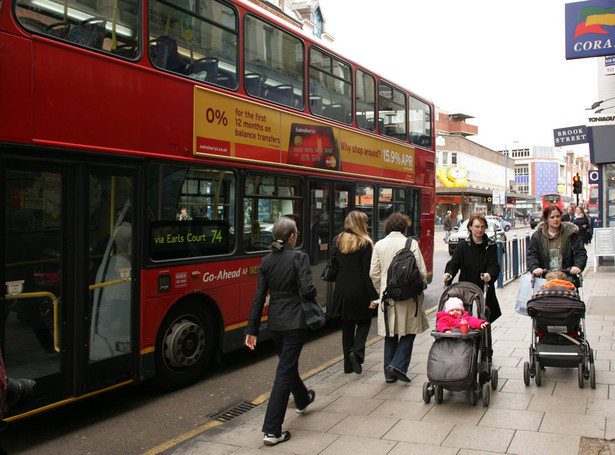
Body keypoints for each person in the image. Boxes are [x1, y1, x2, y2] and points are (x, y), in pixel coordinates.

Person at [244, 217, 316, 446]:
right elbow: (308, 290)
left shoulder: (266, 260)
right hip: (295, 322)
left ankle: (302, 399)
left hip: (275, 322)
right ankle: (272, 431)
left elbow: (258, 297)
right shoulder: (300, 257)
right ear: (292, 236)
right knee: (284, 371)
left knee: (287, 363)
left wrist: (252, 329)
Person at [370, 212, 429, 383]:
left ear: (387, 227)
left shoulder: (379, 245)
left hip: (388, 297)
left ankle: (389, 375)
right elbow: (422, 272)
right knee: (410, 330)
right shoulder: (411, 243)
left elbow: (373, 273)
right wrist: (420, 288)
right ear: (404, 228)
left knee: (390, 333)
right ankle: (398, 364)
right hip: (409, 297)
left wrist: (381, 289)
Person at [331, 211, 379, 375]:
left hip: (342, 289)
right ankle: (357, 352)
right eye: (365, 223)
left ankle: (347, 366)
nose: (367, 225)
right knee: (364, 322)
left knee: (347, 327)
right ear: (360, 224)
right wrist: (375, 296)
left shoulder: (338, 240)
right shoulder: (365, 243)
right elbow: (367, 274)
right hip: (360, 290)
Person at [444, 212, 502, 323]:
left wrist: (489, 275)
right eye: (476, 227)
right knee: (465, 323)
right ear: (470, 227)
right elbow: (454, 263)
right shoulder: (462, 246)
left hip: (484, 290)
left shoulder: (491, 245)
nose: (479, 230)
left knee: (483, 323)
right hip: (465, 292)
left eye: (482, 227)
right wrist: (449, 273)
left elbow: (494, 265)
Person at [527, 204, 586, 282]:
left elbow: (580, 252)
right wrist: (535, 268)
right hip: (545, 279)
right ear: (546, 219)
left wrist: (578, 266)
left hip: (567, 278)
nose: (556, 219)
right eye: (552, 217)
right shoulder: (537, 236)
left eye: (558, 216)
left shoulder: (571, 234)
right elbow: (532, 254)